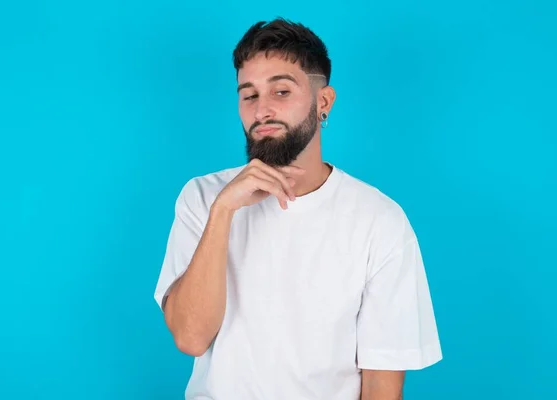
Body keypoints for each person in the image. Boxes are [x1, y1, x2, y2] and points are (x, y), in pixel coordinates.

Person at [154, 18, 442, 400]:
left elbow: (381, 385)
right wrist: (223, 211)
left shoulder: (379, 220)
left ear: (323, 102)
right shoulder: (204, 197)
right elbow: (190, 337)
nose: (262, 110)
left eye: (282, 91)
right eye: (249, 95)